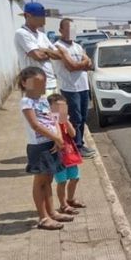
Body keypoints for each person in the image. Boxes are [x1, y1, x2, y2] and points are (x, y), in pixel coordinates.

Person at [19, 67, 74, 230]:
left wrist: (58, 138)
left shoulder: (43, 99)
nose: (40, 87)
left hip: (51, 143)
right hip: (39, 146)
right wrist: (55, 137)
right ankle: (43, 217)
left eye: (42, 84)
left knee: (48, 180)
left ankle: (52, 212)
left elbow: (54, 119)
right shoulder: (26, 102)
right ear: (25, 83)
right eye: (36, 84)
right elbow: (35, 125)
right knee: (40, 181)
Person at [53, 18, 97, 158]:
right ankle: (75, 146)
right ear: (61, 30)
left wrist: (82, 63)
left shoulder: (77, 46)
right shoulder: (58, 47)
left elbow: (90, 64)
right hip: (69, 88)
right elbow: (70, 67)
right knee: (75, 119)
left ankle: (79, 144)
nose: (72, 33)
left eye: (73, 30)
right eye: (68, 29)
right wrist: (83, 63)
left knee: (83, 118)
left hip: (83, 87)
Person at [14, 2, 66, 95]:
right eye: (40, 17)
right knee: (38, 109)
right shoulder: (22, 33)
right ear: (28, 16)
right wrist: (49, 53)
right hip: (33, 83)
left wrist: (45, 50)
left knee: (55, 109)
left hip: (51, 81)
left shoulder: (42, 35)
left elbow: (59, 55)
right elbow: (37, 56)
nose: (43, 20)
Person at [47, 94, 85, 216]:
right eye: (57, 107)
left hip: (70, 154)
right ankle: (63, 205)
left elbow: (73, 134)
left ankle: (71, 199)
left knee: (75, 178)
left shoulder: (65, 119)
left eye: (63, 107)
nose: (60, 110)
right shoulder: (49, 121)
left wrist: (66, 121)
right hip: (59, 157)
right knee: (61, 181)